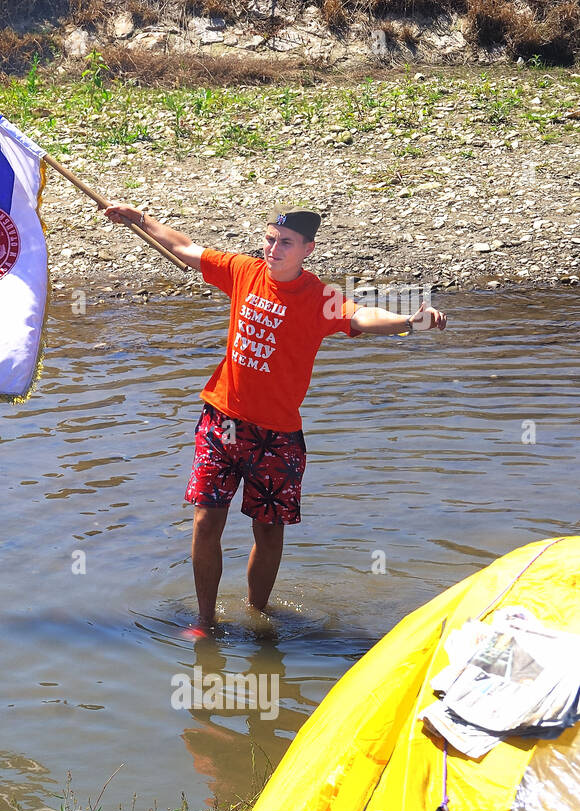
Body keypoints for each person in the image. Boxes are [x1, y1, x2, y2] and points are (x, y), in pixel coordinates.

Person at [102, 205, 448, 633]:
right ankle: (204, 621)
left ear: (307, 249)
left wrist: (409, 323)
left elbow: (362, 316)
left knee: (268, 533)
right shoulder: (242, 271)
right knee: (207, 518)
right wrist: (140, 220)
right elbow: (186, 247)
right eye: (269, 239)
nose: (273, 248)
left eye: (285, 243)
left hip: (278, 435)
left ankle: (256, 615)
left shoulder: (321, 298)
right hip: (221, 421)